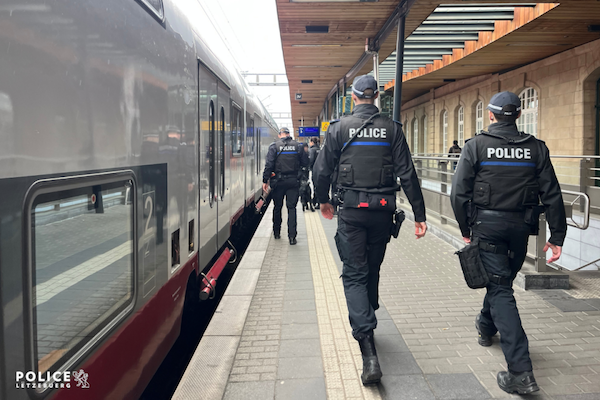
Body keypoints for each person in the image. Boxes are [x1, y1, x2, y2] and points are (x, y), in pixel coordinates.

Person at [313, 75, 427, 385]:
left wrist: (323, 201)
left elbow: (321, 170)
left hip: (351, 212)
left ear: (352, 98)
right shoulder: (392, 129)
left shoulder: (338, 128)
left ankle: (368, 353)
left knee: (354, 273)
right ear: (376, 96)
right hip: (383, 212)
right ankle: (369, 311)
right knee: (372, 267)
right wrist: (419, 214)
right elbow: (408, 172)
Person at [450, 91, 567, 395]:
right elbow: (552, 194)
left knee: (500, 289)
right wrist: (556, 236)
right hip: (520, 229)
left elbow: (458, 193)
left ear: (490, 115)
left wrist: (465, 228)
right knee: (500, 283)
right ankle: (486, 326)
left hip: (486, 228)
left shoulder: (476, 146)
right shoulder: (536, 148)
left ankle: (521, 372)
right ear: (517, 115)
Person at [262, 127, 309, 245]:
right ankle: (292, 237)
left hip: (278, 182)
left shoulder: (274, 146)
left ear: (280, 135)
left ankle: (276, 232)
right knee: (292, 208)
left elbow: (269, 164)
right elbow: (305, 163)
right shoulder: (298, 146)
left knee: (277, 207)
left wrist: (265, 180)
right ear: (289, 134)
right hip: (293, 181)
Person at [308, 137, 321, 209]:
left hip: (315, 170)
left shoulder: (312, 150)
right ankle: (320, 201)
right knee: (321, 186)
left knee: (315, 186)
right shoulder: (321, 149)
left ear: (312, 142)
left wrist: (309, 167)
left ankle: (316, 201)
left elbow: (311, 160)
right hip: (322, 170)